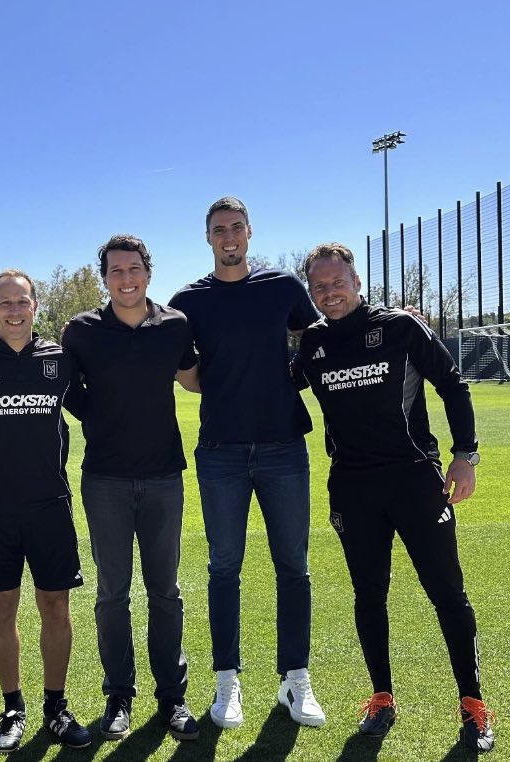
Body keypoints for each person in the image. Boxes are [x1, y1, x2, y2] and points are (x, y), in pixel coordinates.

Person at [293, 243, 495, 752]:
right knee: (369, 595)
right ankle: (381, 698)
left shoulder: (401, 327)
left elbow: (453, 385)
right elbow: (269, 385)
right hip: (353, 488)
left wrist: (465, 455)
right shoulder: (312, 344)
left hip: (415, 479)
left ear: (357, 282)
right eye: (319, 287)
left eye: (337, 282)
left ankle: (473, 704)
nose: (329, 293)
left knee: (447, 592)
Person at [168, 197, 326, 729]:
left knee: (293, 567)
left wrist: (289, 378)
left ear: (250, 233)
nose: (229, 236)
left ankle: (295, 681)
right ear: (207, 237)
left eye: (237, 227)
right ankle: (226, 683)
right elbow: (185, 373)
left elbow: (316, 339)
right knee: (223, 568)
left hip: (283, 446)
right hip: (221, 453)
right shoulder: (188, 300)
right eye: (219, 230)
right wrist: (222, 387)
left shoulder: (281, 286)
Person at [61, 234, 201, 742]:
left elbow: (193, 378)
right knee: (112, 594)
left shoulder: (175, 325)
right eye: (116, 271)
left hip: (164, 475)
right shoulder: (81, 330)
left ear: (148, 271)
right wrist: (99, 415)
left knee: (166, 591)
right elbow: (65, 389)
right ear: (105, 278)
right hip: (106, 480)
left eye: (134, 269)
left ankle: (173, 698)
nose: (126, 279)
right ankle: (118, 695)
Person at [0, 270, 92, 754]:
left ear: (35, 306)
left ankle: (55, 707)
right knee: (2, 608)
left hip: (51, 507)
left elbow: (95, 408)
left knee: (56, 606)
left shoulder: (60, 358)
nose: (14, 311)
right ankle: (13, 707)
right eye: (5, 303)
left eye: (22, 303)